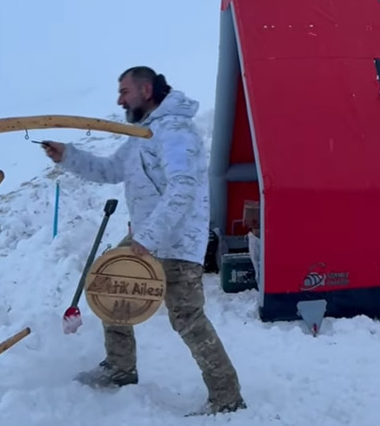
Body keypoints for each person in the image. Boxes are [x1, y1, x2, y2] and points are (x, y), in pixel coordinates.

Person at [40, 66, 246, 415]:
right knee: (109, 284)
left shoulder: (175, 131)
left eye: (125, 92)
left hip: (177, 242)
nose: (119, 100)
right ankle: (120, 367)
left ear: (146, 90)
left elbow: (182, 188)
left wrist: (149, 236)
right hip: (147, 237)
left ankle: (227, 397)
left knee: (187, 318)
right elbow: (110, 170)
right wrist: (68, 156)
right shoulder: (143, 134)